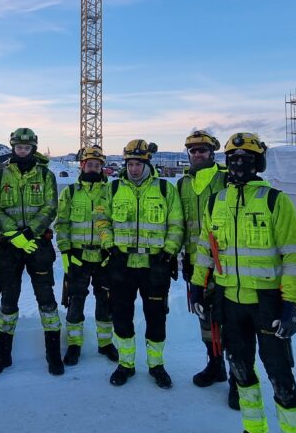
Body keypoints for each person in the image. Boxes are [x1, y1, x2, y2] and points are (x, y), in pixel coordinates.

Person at [203, 132, 296, 433]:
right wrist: (197, 284)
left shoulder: (274, 201)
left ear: (258, 164)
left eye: (246, 158)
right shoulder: (216, 201)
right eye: (233, 158)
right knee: (242, 374)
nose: (238, 164)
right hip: (230, 303)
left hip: (268, 305)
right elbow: (207, 248)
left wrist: (292, 305)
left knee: (282, 382)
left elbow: (291, 255)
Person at [106, 140, 184, 388]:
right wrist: (110, 246)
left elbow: (176, 223)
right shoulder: (114, 188)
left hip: (155, 265)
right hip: (122, 264)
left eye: (138, 163)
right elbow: (102, 219)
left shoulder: (164, 189)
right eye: (130, 163)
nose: (134, 168)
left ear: (147, 163)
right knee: (121, 316)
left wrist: (168, 252)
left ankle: (156, 365)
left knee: (156, 317)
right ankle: (126, 364)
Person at [0, 127, 62, 376]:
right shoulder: (0, 176)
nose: (22, 151)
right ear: (13, 148)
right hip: (10, 246)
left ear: (33, 149)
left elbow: (51, 206)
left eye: (27, 148)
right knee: (8, 299)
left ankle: (53, 354)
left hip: (38, 244)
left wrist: (31, 232)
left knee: (46, 299)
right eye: (18, 147)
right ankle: (2, 355)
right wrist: (14, 235)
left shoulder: (46, 175)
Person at [177, 129, 237, 408]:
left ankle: (240, 377)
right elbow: (178, 224)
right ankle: (215, 365)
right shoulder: (183, 184)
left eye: (203, 150)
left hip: (226, 265)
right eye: (193, 151)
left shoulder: (226, 178)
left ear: (213, 152)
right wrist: (178, 259)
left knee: (232, 321)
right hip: (195, 263)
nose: (198, 154)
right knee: (205, 318)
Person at [55, 145, 117, 366]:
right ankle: (74, 345)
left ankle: (105, 344)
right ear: (82, 165)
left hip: (104, 257)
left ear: (102, 168)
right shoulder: (70, 192)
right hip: (78, 256)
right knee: (75, 301)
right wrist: (66, 250)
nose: (93, 167)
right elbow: (61, 224)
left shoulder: (111, 192)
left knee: (106, 301)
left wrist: (113, 249)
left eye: (97, 165)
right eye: (89, 164)